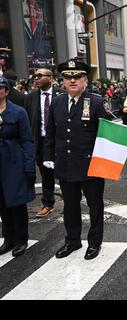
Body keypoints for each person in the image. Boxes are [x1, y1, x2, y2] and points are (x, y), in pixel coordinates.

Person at [44, 59, 111, 260]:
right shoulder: (56, 103)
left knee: (95, 206)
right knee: (70, 207)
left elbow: (108, 133)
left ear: (85, 79)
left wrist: (107, 162)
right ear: (62, 80)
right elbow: (50, 133)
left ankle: (94, 243)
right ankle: (72, 241)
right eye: (68, 77)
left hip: (91, 166)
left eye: (77, 77)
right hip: (66, 165)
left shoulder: (96, 102)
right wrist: (48, 157)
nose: (72, 81)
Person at [0, 76, 36, 257]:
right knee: (2, 204)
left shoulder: (19, 112)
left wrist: (29, 166)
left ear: (6, 91)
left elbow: (27, 140)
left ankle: (21, 239)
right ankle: (8, 238)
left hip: (14, 161)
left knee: (17, 202)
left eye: (0, 88)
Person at [25, 68, 60, 218]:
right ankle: (48, 203)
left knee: (64, 170)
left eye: (40, 76)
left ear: (50, 77)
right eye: (35, 76)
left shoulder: (61, 94)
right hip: (41, 141)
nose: (36, 78)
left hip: (60, 140)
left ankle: (73, 199)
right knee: (45, 174)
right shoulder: (31, 97)